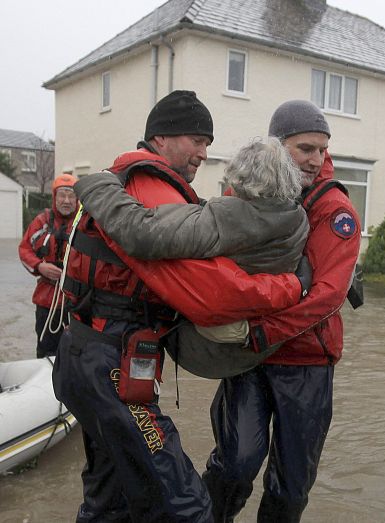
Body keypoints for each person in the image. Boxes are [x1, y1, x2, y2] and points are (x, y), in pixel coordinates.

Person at [52, 90, 310, 523]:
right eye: (197, 140)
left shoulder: (129, 174)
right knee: (187, 505)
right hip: (112, 364)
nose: (203, 154)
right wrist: (291, 287)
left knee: (108, 500)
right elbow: (212, 295)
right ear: (163, 137)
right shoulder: (152, 186)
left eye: (208, 144)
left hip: (84, 354)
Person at [203, 100, 361, 522]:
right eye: (305, 148)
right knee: (234, 466)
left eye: (322, 150)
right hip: (250, 360)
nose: (317, 159)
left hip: (304, 362)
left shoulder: (335, 210)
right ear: (277, 145)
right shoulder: (246, 195)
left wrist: (262, 332)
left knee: (290, 488)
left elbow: (327, 297)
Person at [73, 137, 311, 378]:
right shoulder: (298, 218)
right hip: (260, 346)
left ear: (241, 179)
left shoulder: (228, 219)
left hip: (210, 350)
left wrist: (98, 186)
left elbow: (141, 233)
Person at [18, 173, 78, 358]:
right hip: (47, 302)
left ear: (77, 199)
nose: (66, 200)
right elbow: (24, 250)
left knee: (74, 355)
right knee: (46, 354)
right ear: (54, 197)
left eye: (71, 195)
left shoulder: (84, 224)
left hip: (76, 303)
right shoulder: (42, 221)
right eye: (62, 195)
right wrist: (39, 266)